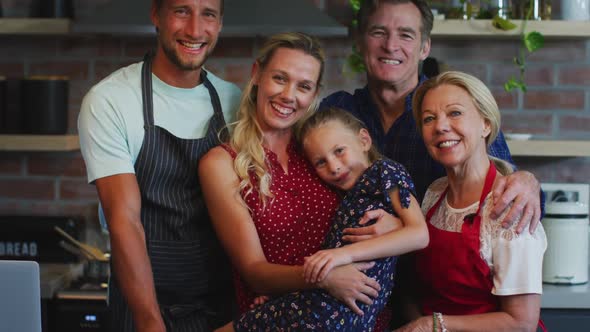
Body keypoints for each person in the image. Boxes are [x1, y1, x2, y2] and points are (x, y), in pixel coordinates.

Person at [199, 32, 401, 332]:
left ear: (315, 93)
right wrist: (325, 277)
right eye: (280, 78)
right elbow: (253, 271)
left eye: (303, 86)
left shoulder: (321, 152)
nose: (289, 95)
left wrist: (392, 225)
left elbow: (375, 198)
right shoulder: (222, 163)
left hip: (355, 313)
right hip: (279, 319)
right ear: (257, 74)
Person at [78, 0, 241, 331]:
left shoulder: (235, 102)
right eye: (182, 10)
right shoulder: (111, 101)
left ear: (220, 22)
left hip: (222, 312)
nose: (195, 29)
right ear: (156, 14)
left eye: (208, 14)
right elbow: (125, 221)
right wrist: (150, 322)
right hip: (144, 310)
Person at [321, 0, 543, 235]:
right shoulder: (335, 111)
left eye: (405, 35)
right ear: (359, 42)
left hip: (436, 266)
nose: (390, 46)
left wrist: (527, 182)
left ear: (425, 48)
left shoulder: (459, 109)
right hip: (346, 263)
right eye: (378, 32)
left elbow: (513, 194)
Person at [216, 107, 428, 331]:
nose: (334, 167)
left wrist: (340, 255)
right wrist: (281, 297)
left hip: (339, 313)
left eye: (339, 151)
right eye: (320, 162)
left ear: (364, 140)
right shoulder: (346, 197)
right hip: (329, 303)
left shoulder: (385, 171)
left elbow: (419, 234)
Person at [395, 71, 547, 332]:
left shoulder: (509, 208)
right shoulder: (434, 193)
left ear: (486, 125)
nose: (440, 126)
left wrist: (429, 325)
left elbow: (521, 323)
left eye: (455, 113)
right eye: (429, 118)